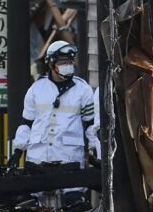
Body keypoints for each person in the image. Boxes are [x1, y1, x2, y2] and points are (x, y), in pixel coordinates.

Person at [10, 42, 96, 187]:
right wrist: (18, 150)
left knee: (73, 202)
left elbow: (90, 126)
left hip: (70, 158)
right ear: (51, 63)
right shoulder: (36, 89)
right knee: (35, 203)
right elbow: (27, 124)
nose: (68, 65)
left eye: (70, 62)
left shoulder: (83, 89)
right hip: (38, 158)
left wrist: (95, 150)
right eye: (63, 62)